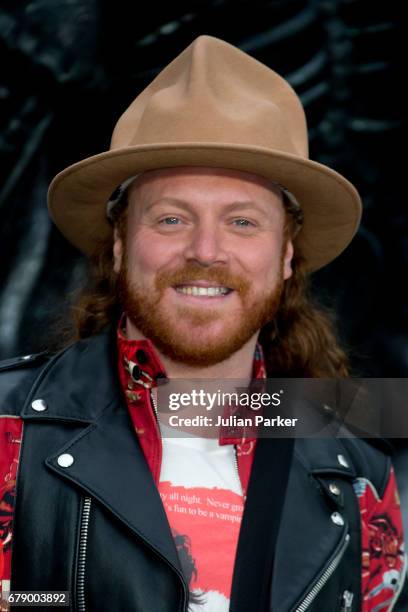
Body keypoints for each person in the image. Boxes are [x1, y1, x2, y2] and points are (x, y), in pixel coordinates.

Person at [0, 35, 406, 612]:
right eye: (171, 218)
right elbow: (23, 597)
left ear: (286, 255)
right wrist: (47, 602)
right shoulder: (6, 430)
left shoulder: (358, 474)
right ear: (119, 244)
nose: (206, 250)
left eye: (242, 222)